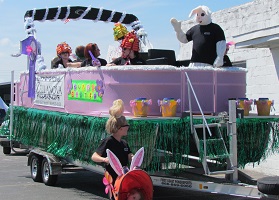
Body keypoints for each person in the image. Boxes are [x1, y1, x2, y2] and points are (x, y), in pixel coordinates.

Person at [91, 99, 133, 184]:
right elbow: (94, 156)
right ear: (120, 128)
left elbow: (129, 155)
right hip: (112, 178)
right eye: (126, 125)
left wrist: (133, 157)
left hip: (123, 178)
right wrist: (104, 159)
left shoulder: (124, 143)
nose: (128, 126)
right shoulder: (108, 141)